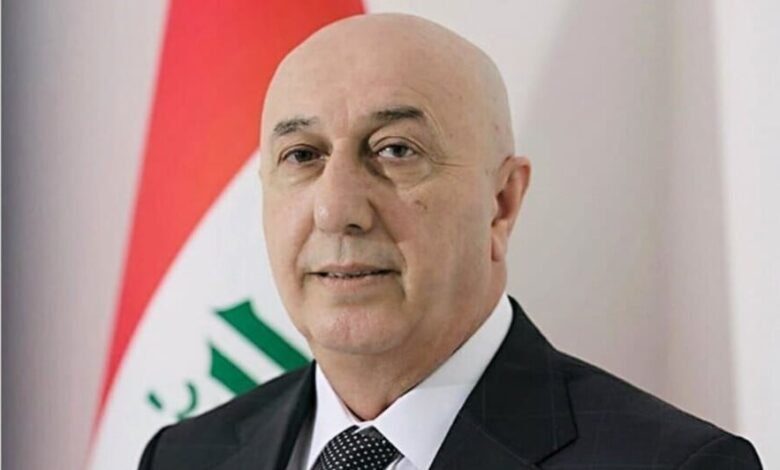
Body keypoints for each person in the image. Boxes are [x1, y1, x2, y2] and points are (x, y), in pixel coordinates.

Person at [138, 13, 762, 470]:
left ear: (502, 203)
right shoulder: (184, 456)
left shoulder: (672, 464)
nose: (336, 209)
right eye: (302, 155)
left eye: (395, 150)